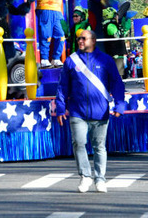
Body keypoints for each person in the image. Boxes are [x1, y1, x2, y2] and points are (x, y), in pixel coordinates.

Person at [54, 29, 126, 193]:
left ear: (93, 41)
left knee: (99, 146)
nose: (80, 41)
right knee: (79, 143)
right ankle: (85, 176)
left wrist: (120, 106)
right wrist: (60, 108)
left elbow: (117, 83)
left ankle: (100, 179)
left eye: (83, 39)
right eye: (79, 38)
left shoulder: (106, 60)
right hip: (77, 112)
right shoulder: (71, 61)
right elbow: (63, 86)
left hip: (100, 112)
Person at [34, 0, 66, 67]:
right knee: (46, 34)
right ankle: (44, 58)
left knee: (61, 34)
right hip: (46, 8)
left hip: (57, 10)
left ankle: (56, 58)